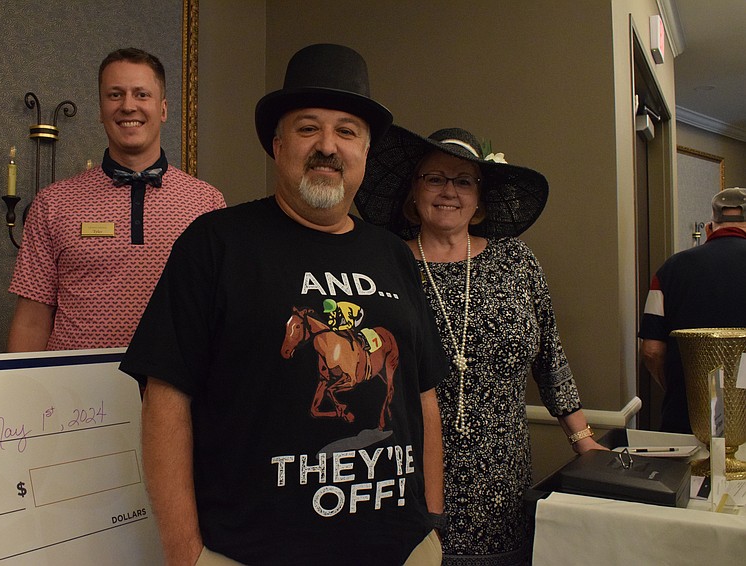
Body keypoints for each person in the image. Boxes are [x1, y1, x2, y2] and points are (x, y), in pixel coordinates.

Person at [120, 44, 446, 565]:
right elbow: (164, 399)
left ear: (365, 152)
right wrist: (186, 554)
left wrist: (430, 525)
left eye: (347, 131)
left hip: (401, 550)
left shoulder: (394, 255)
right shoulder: (214, 243)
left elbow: (423, 394)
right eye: (307, 128)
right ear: (277, 145)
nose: (327, 146)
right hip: (250, 553)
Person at [357, 125, 605, 565]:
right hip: (409, 478)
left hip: (503, 484)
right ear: (413, 194)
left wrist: (582, 438)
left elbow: (550, 356)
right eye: (434, 178)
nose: (448, 191)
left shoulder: (517, 260)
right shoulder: (385, 264)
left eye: (463, 180)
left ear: (479, 198)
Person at [7, 47, 225, 352]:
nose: (128, 106)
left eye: (141, 94)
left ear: (163, 109)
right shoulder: (53, 204)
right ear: (100, 110)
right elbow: (31, 321)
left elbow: (221, 314)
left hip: (173, 390)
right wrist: (24, 391)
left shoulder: (206, 203)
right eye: (115, 95)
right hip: (74, 392)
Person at [639, 187, 746, 433]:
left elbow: (652, 351)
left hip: (686, 411)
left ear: (710, 227)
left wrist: (679, 386)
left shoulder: (669, 270)